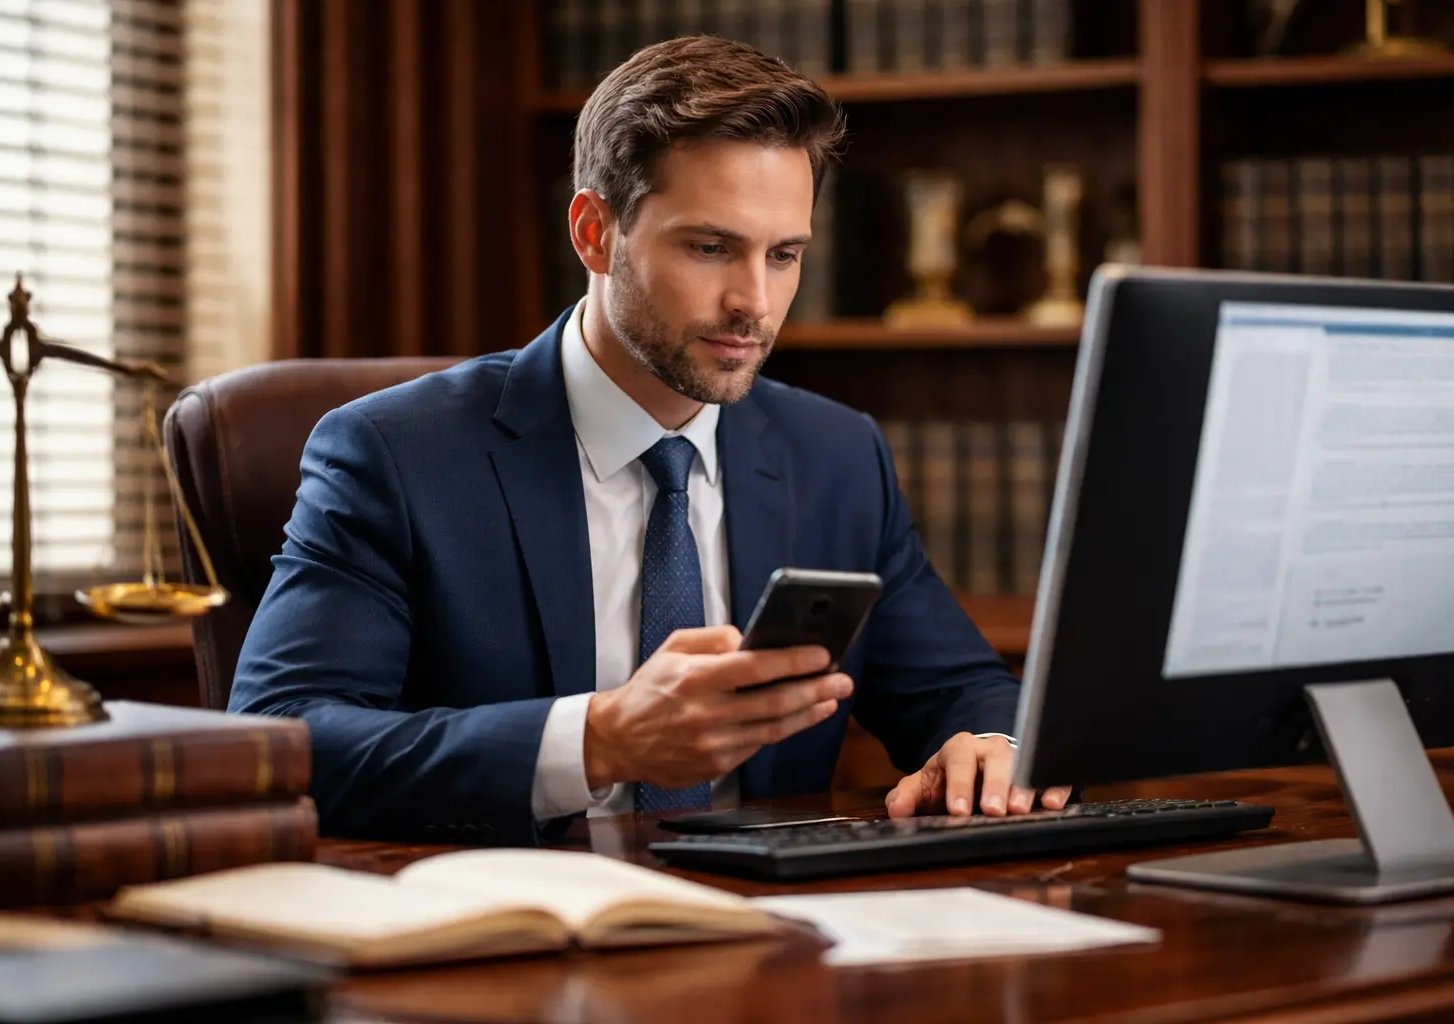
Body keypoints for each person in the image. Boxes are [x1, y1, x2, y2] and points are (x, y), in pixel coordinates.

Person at [229, 35, 1071, 844]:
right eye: (710, 248)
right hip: (512, 934)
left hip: (774, 935)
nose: (756, 302)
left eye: (784, 255)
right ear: (596, 234)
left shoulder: (837, 455)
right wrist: (596, 741)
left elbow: (961, 689)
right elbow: (284, 739)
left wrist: (987, 747)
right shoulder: (392, 454)